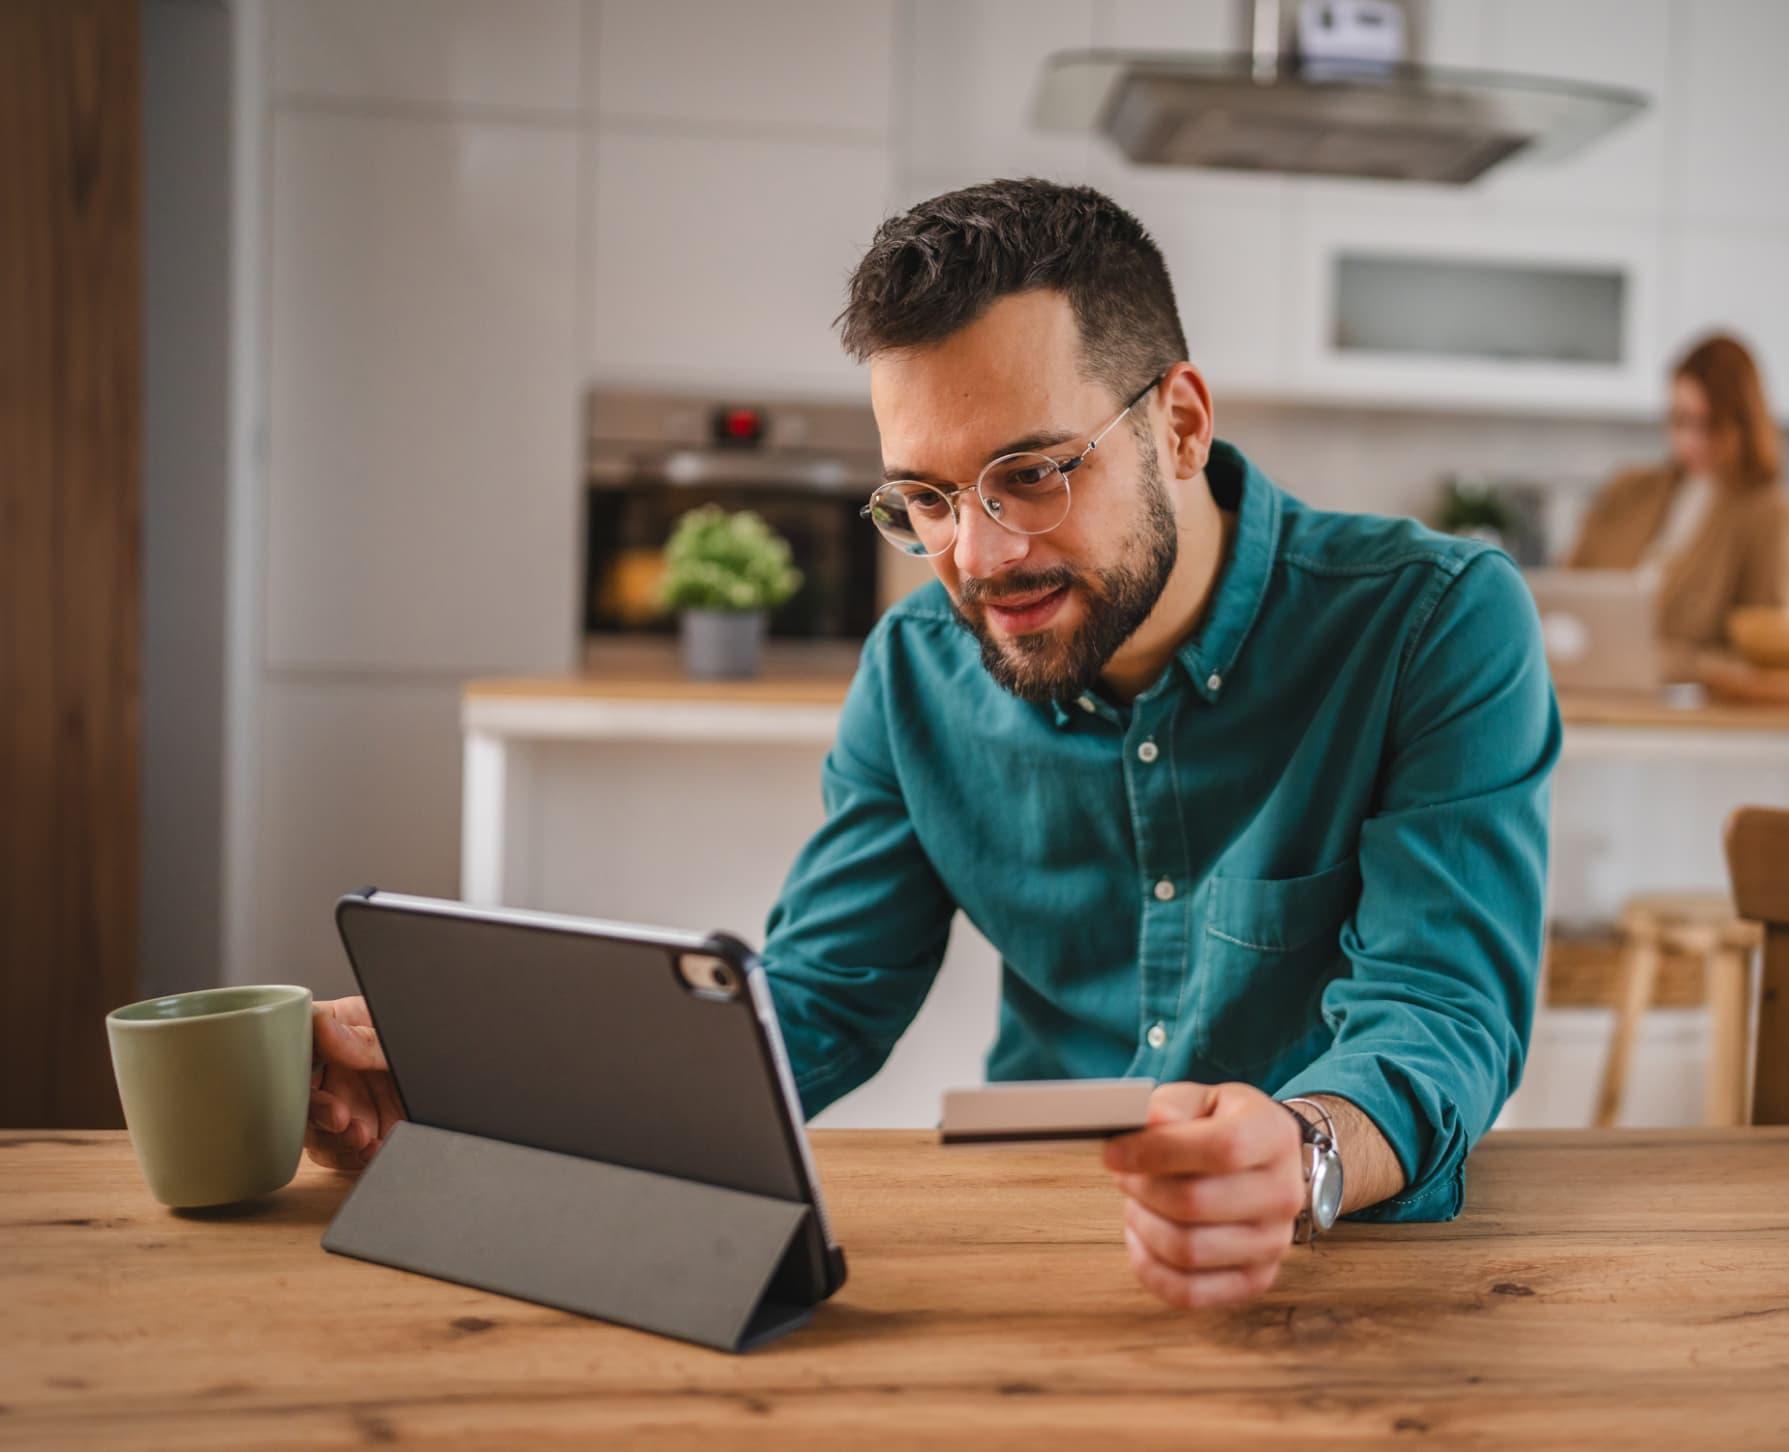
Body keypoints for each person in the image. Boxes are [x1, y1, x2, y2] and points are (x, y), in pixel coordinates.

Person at [301, 178, 1561, 1310]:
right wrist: (492, 1089)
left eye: (1029, 473)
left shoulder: (1432, 623)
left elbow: (1440, 1010)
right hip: (1030, 1261)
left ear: (1178, 424)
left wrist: (1301, 1155)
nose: (979, 554)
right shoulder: (916, 675)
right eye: (928, 497)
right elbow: (818, 999)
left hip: (1346, 1259)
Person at [1564, 334, 1789, 656]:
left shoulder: (1776, 517)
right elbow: (1566, 593)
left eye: (1709, 424)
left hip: (1697, 704)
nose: (1690, 441)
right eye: (1680, 420)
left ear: (1744, 422)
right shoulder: (1628, 491)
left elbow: (1777, 650)